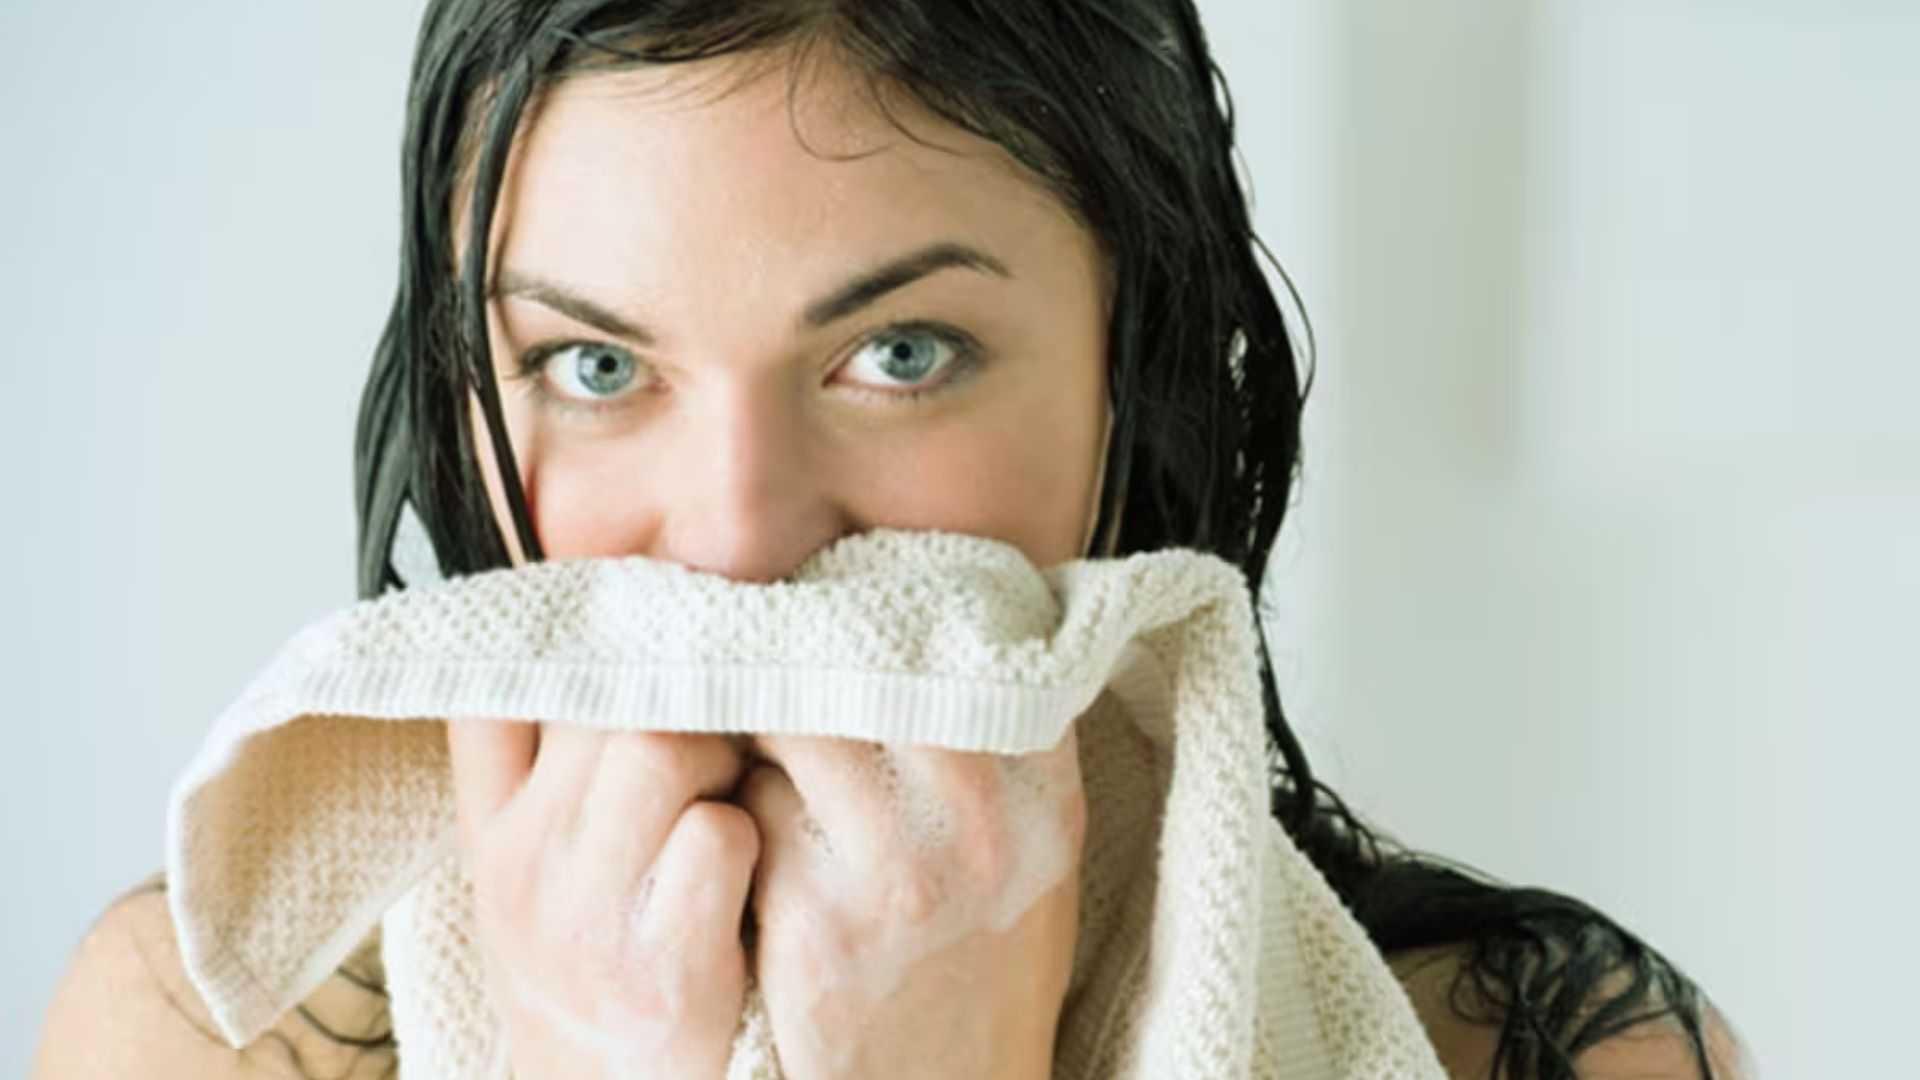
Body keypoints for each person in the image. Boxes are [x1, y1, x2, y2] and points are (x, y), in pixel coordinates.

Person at [36, 2, 1750, 1078]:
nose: (735, 537)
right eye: (599, 363)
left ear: (1132, 371)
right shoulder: (205, 1026)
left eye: (899, 357)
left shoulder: (1540, 1049)